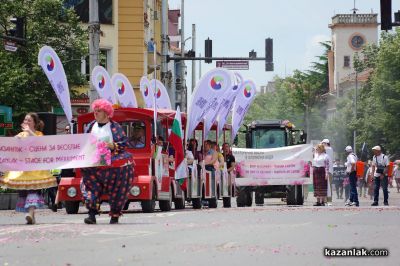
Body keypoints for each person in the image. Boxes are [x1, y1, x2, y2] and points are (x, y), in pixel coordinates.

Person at [81, 99, 134, 224]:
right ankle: (92, 215)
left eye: (98, 111)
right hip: (94, 164)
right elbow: (83, 142)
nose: (96, 113)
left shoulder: (115, 127)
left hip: (112, 165)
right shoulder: (90, 126)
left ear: (106, 112)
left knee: (118, 188)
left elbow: (123, 143)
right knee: (90, 188)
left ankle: (115, 215)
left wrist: (113, 146)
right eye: (95, 111)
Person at [0, 113, 57, 224]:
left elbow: (40, 143)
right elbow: (11, 145)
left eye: (29, 120)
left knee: (33, 190)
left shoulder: (38, 134)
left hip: (35, 169)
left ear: (35, 123)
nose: (26, 122)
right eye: (25, 120)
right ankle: (32, 216)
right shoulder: (21, 134)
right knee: (24, 192)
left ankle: (30, 214)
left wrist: (29, 131)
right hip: (23, 168)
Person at [321, 139, 333, 205]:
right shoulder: (325, 150)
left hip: (329, 171)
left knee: (328, 186)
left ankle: (329, 201)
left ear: (326, 143)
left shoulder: (329, 149)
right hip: (324, 170)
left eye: (323, 143)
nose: (322, 145)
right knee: (324, 186)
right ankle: (325, 200)